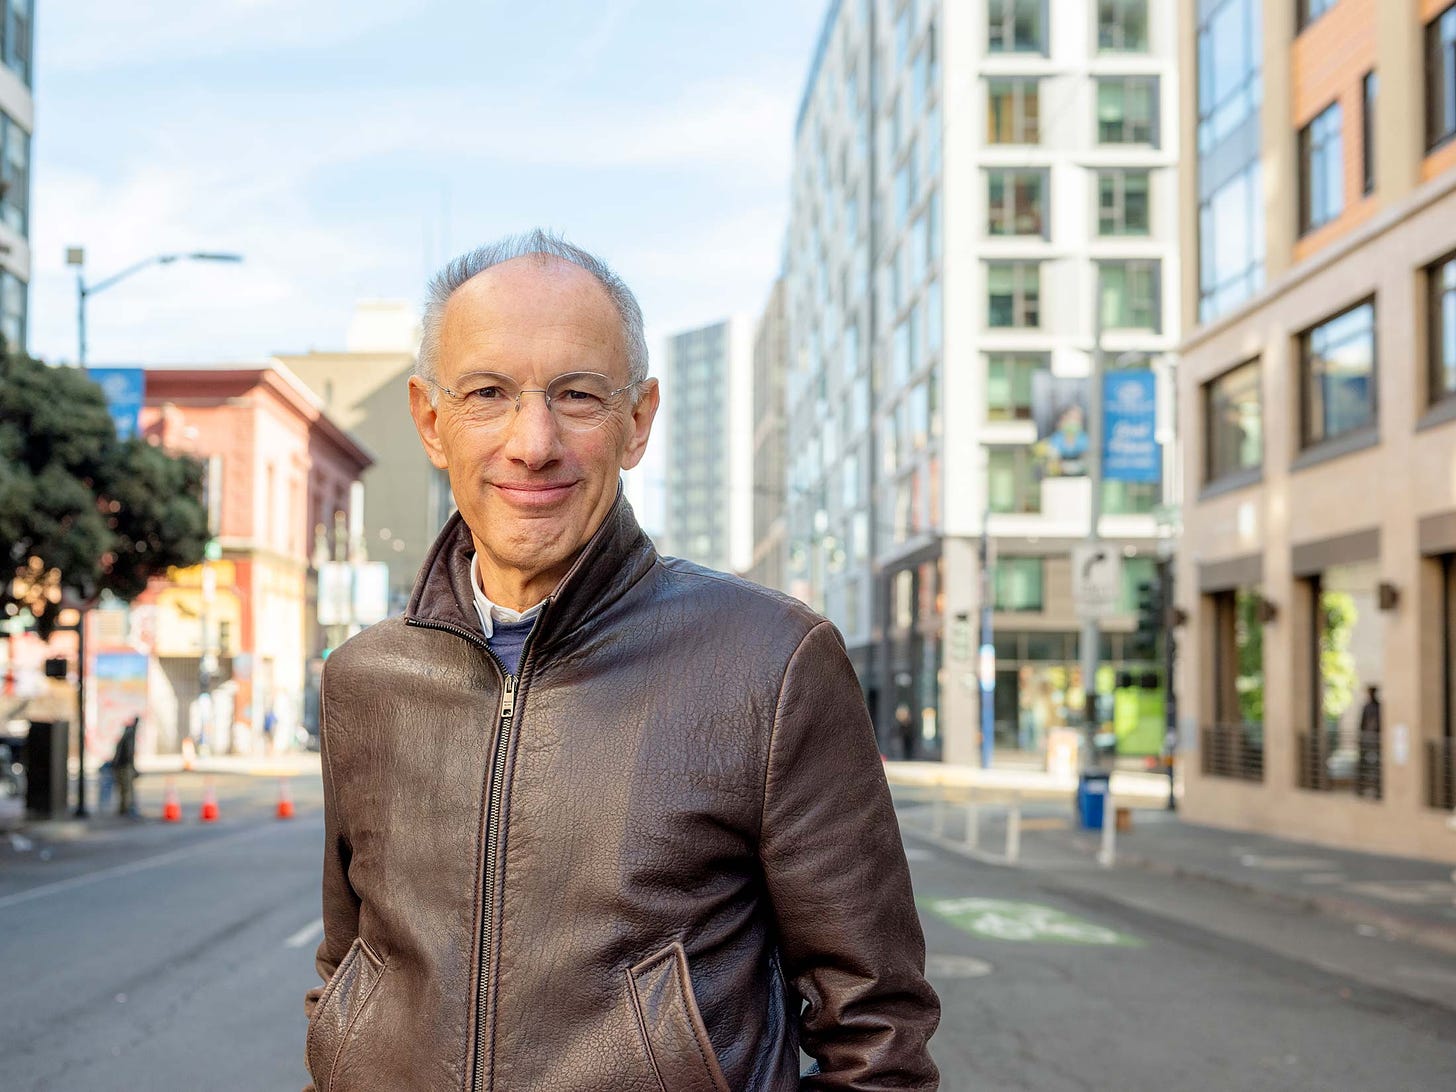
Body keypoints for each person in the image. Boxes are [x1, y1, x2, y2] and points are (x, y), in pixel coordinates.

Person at [304, 232, 939, 1091]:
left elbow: (878, 1036)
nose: (533, 442)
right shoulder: (364, 680)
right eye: (488, 393)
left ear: (637, 420)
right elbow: (349, 974)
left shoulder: (773, 665)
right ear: (430, 420)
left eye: (577, 395)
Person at [111, 715, 139, 819]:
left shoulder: (126, 735)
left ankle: (124, 809)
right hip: (124, 766)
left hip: (121, 766)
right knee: (126, 789)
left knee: (123, 789)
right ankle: (126, 809)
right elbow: (128, 754)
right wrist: (132, 768)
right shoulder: (129, 736)